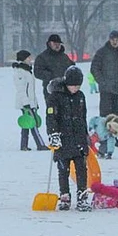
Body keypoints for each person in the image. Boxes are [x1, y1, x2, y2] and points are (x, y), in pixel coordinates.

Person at [46, 65, 91, 211]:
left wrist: (85, 136)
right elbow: (51, 117)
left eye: (78, 86)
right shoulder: (56, 96)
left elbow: (83, 117)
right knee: (63, 169)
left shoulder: (80, 96)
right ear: (66, 83)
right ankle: (64, 196)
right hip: (62, 139)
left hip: (78, 139)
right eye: (73, 86)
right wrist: (53, 133)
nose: (75, 88)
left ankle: (82, 196)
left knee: (81, 169)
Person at [90, 30, 118, 122]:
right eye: (113, 39)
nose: (115, 41)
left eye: (117, 39)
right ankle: (104, 135)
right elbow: (94, 68)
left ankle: (114, 135)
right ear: (109, 40)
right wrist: (102, 82)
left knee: (117, 119)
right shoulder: (102, 53)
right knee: (105, 118)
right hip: (106, 92)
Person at [12, 49, 47, 151]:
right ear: (23, 59)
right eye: (28, 57)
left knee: (27, 123)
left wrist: (34, 103)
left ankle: (24, 145)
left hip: (30, 102)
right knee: (33, 123)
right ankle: (40, 144)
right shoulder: (20, 72)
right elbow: (21, 90)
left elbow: (31, 90)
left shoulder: (27, 71)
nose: (30, 59)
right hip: (25, 103)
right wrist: (26, 103)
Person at [33, 34, 74, 103]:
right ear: (49, 44)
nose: (57, 45)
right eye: (55, 43)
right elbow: (37, 72)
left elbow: (70, 68)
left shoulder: (64, 57)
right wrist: (52, 76)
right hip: (50, 89)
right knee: (53, 111)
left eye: (59, 43)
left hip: (66, 88)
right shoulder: (42, 57)